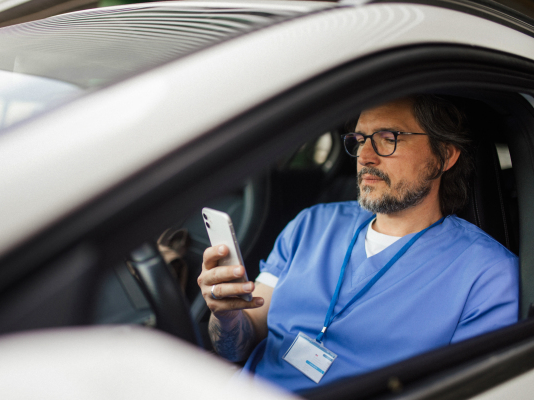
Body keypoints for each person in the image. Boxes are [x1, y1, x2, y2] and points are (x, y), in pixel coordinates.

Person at [196, 95, 518, 392]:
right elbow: (237, 344)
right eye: (359, 140)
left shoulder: (487, 275)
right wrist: (226, 317)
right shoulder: (311, 224)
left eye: (387, 138)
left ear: (445, 155)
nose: (364, 156)